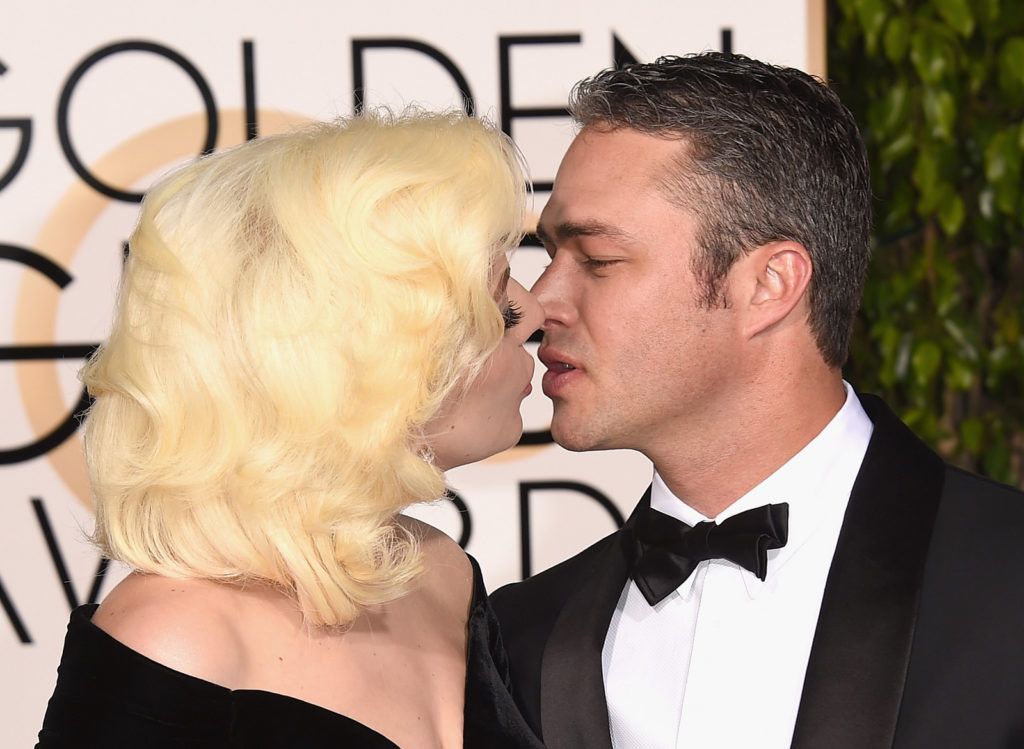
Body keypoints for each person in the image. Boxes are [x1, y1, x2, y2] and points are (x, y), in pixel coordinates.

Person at [491, 52, 1024, 749]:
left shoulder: (1006, 581)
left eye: (596, 259)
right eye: (548, 253)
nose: (538, 304)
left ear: (770, 283)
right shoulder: (521, 633)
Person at [36, 111, 545, 749]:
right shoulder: (178, 633)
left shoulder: (441, 571)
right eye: (496, 308)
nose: (537, 314)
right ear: (358, 352)